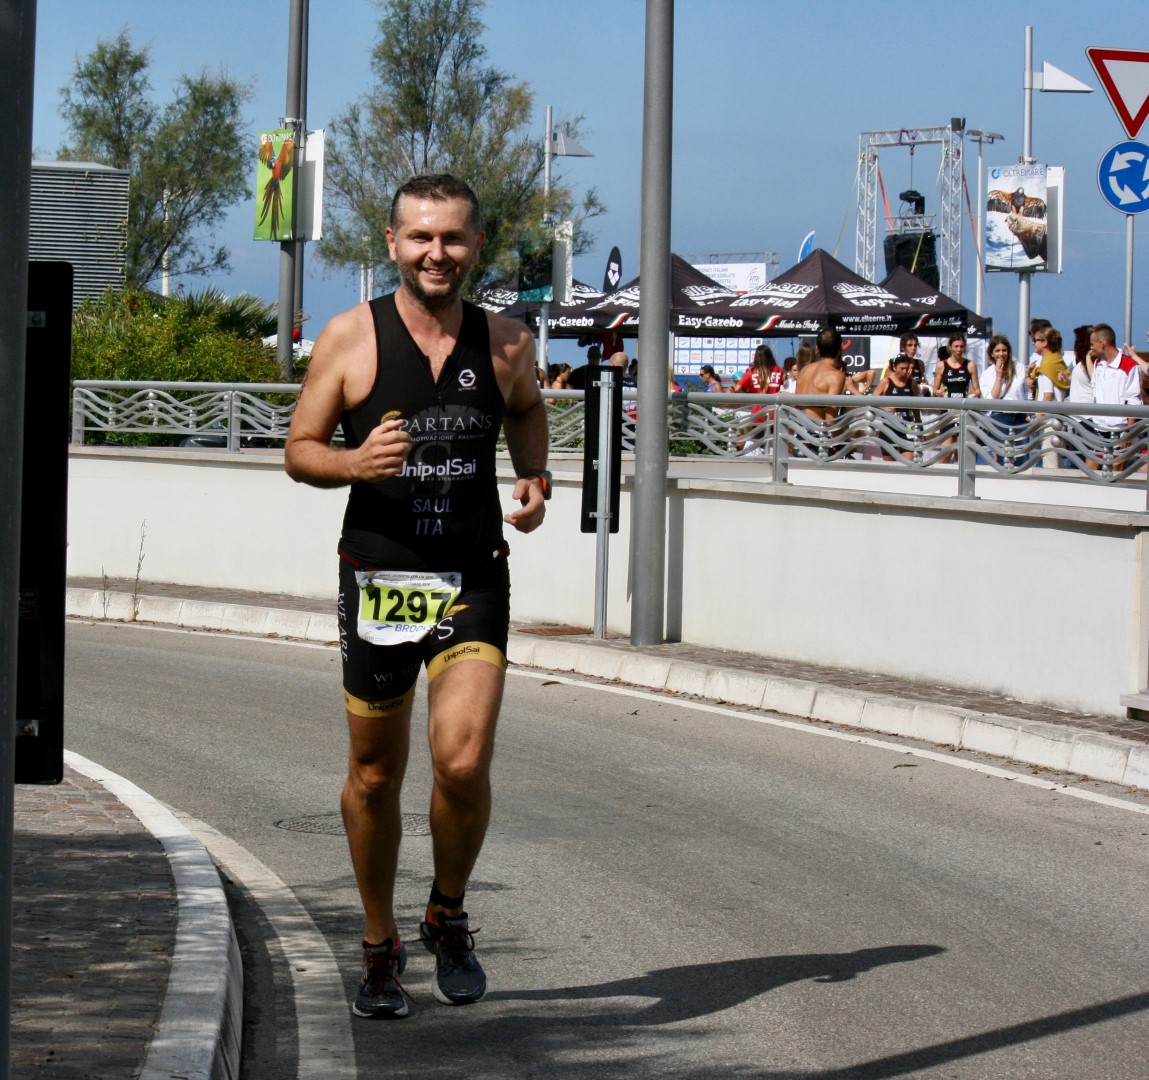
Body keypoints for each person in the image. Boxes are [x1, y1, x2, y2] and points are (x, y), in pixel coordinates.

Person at [284, 174, 549, 1019]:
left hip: (471, 574)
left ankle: (446, 911)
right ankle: (377, 941)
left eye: (454, 239)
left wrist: (535, 475)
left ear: (476, 245)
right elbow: (298, 448)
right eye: (421, 238)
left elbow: (529, 411)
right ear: (393, 243)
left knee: (463, 762)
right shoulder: (350, 338)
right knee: (373, 772)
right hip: (379, 577)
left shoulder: (506, 342)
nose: (438, 253)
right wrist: (351, 464)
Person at [1089, 323, 1142, 464]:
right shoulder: (1098, 364)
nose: (1091, 347)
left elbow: (1134, 401)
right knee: (1091, 469)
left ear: (1102, 343)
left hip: (1119, 430)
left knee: (1116, 472)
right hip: (1099, 429)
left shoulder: (1129, 366)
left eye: (1092, 344)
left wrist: (1128, 432)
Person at [982, 334, 1032, 465]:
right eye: (997, 351)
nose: (1001, 354)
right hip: (1000, 416)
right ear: (992, 353)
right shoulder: (987, 374)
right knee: (1003, 456)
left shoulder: (1019, 368)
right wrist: (999, 376)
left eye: (1004, 350)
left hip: (1020, 415)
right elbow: (992, 399)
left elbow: (1023, 392)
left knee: (1021, 455)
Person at [874, 352, 921, 460]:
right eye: (902, 368)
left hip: (907, 427)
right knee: (890, 467)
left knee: (909, 462)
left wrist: (918, 422)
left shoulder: (912, 383)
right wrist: (884, 408)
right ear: (894, 367)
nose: (904, 371)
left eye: (907, 368)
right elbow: (872, 401)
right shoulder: (886, 382)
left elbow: (916, 404)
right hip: (889, 427)